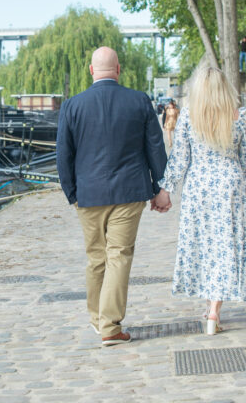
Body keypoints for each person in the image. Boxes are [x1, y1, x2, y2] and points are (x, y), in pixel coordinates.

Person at [56, 46, 169, 347]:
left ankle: (97, 319)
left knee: (96, 258)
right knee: (118, 255)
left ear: (91, 71)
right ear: (118, 70)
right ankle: (110, 326)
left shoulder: (72, 106)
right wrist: (160, 188)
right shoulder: (139, 101)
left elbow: (63, 156)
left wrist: (72, 194)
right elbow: (155, 148)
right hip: (129, 192)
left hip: (88, 195)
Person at [154, 66, 246, 335]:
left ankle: (210, 310)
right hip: (231, 185)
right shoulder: (238, 118)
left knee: (206, 247)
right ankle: (214, 311)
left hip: (198, 188)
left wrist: (165, 190)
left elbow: (180, 159)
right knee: (225, 246)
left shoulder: (188, 119)